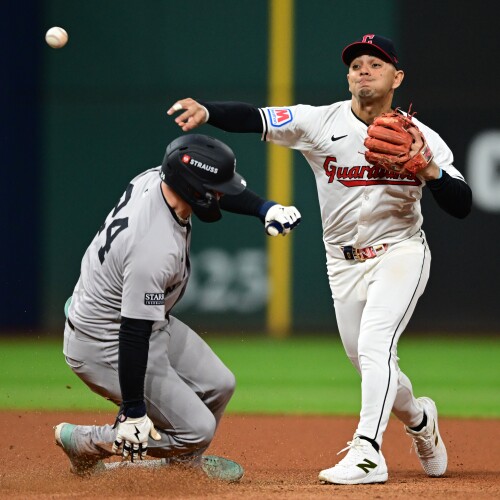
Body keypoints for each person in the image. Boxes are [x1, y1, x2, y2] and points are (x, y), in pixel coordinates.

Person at [167, 34, 472, 485]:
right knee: (368, 360)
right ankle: (421, 419)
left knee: (375, 346)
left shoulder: (423, 138)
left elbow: (462, 203)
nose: (364, 70)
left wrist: (428, 168)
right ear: (348, 78)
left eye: (376, 64)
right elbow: (255, 117)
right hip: (342, 263)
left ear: (397, 78)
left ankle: (368, 453)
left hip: (400, 252)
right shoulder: (319, 122)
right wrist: (207, 112)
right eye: (356, 65)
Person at [54, 133, 301, 480]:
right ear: (192, 188)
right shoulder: (152, 247)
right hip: (106, 342)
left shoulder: (158, 179)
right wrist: (133, 411)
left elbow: (211, 190)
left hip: (136, 320)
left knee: (219, 385)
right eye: (215, 189)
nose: (221, 195)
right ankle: (86, 441)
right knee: (196, 430)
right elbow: (133, 333)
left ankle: (181, 470)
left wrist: (263, 208)